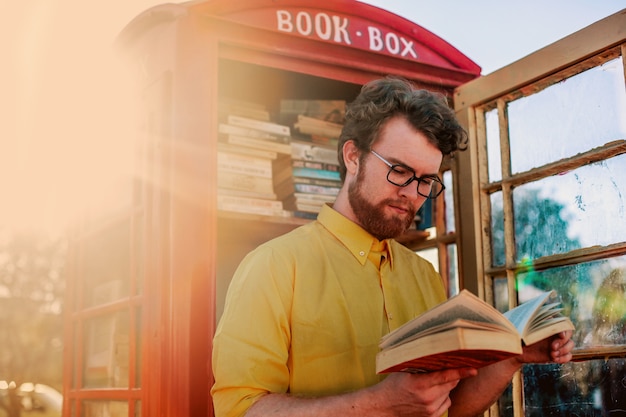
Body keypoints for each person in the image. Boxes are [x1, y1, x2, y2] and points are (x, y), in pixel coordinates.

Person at [211, 77, 574, 417]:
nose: (412, 194)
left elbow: (448, 408)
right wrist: (381, 402)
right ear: (353, 157)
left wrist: (512, 357)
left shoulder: (424, 275)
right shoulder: (272, 265)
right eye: (399, 170)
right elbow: (241, 409)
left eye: (426, 181)